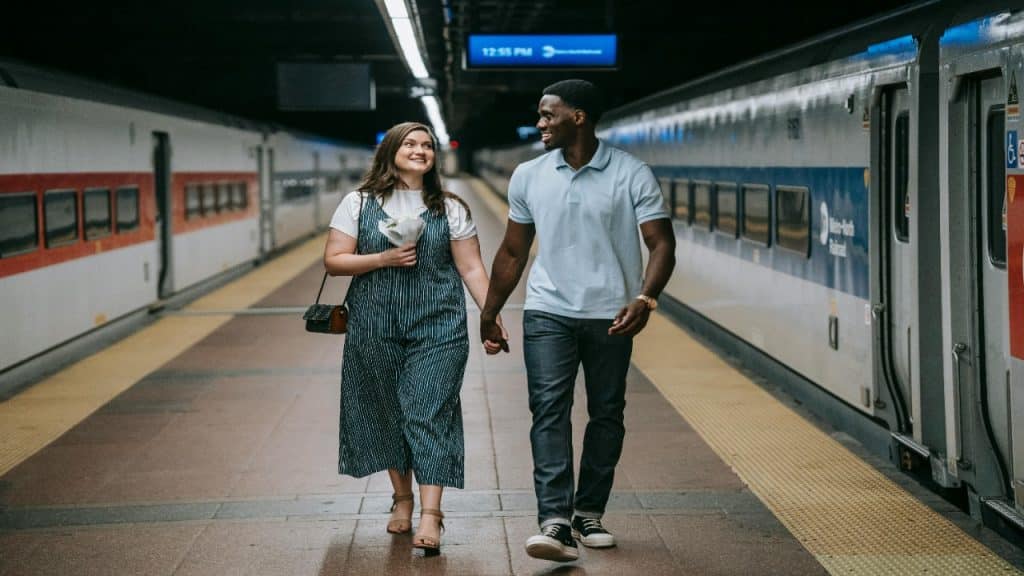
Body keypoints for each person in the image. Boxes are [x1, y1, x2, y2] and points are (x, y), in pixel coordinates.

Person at [479, 79, 676, 562]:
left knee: (607, 413)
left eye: (549, 115)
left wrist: (645, 298)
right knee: (549, 410)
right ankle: (555, 521)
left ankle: (588, 512)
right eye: (541, 116)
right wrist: (490, 310)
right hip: (548, 311)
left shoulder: (631, 173)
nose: (540, 123)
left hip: (612, 314)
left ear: (579, 117)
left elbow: (661, 244)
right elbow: (513, 250)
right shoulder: (528, 174)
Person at [324, 121, 507, 556]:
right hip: (374, 324)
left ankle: (431, 514)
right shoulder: (359, 203)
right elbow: (334, 260)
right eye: (411, 143)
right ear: (391, 151)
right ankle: (402, 498)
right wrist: (383, 257)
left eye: (427, 145)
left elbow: (471, 268)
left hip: (439, 326)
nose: (421, 150)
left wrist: (491, 314)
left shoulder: (450, 207)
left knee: (427, 411)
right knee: (387, 412)